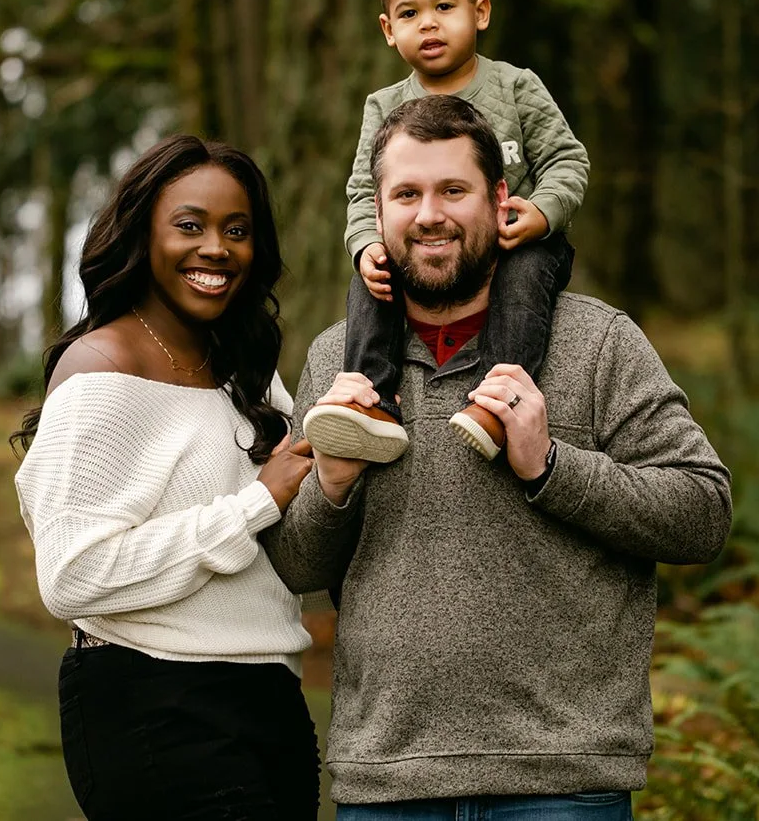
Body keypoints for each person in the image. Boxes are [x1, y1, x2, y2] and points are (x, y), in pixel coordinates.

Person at [262, 96, 732, 818]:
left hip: (560, 780)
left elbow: (702, 514)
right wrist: (331, 482)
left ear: (502, 199)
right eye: (407, 194)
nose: (429, 215)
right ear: (376, 213)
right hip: (388, 780)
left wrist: (550, 464)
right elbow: (297, 567)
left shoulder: (597, 342)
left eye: (454, 190)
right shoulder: (338, 359)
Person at [12, 135, 320, 821]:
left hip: (271, 699)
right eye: (191, 225)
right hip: (154, 704)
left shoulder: (249, 373)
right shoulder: (100, 371)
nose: (217, 248)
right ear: (142, 233)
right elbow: (72, 574)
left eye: (236, 230)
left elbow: (292, 538)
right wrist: (254, 504)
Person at [303, 0, 591, 465]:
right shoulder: (383, 105)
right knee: (374, 279)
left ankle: (497, 399)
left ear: (479, 13)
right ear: (389, 29)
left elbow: (567, 160)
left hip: (518, 241)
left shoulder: (515, 86)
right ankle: (372, 403)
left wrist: (541, 211)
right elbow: (364, 190)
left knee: (525, 276)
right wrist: (366, 244)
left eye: (444, 7)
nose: (428, 24)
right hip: (427, 252)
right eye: (410, 14)